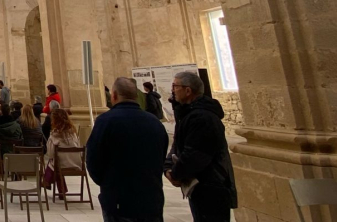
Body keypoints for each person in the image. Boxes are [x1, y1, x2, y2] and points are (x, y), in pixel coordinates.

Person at [86, 78, 169, 222]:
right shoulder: (154, 122)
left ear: (114, 95)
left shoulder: (106, 121)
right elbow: (161, 155)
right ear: (136, 96)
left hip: (119, 198)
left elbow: (93, 159)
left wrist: (107, 183)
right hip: (151, 198)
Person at [164, 71, 237, 221]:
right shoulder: (189, 114)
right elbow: (178, 144)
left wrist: (176, 174)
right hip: (200, 186)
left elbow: (196, 154)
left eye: (175, 86)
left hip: (211, 186)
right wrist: (168, 167)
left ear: (188, 90)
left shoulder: (203, 118)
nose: (172, 91)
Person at [45, 108, 82, 194]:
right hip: (77, 164)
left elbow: (50, 154)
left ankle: (45, 181)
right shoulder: (73, 133)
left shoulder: (54, 135)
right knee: (56, 162)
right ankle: (60, 189)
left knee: (54, 162)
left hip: (62, 166)